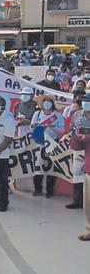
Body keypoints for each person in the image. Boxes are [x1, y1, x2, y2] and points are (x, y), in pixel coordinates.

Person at [31, 95, 64, 198]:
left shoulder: (57, 115)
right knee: (38, 166)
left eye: (49, 101)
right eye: (45, 101)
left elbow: (62, 131)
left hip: (52, 143)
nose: (47, 103)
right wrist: (36, 125)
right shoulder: (37, 114)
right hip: (39, 143)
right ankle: (37, 188)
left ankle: (50, 190)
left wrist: (52, 127)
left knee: (51, 168)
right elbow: (31, 126)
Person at [70, 95, 90, 241]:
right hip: (89, 168)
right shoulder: (77, 116)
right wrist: (77, 136)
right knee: (88, 203)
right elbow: (78, 145)